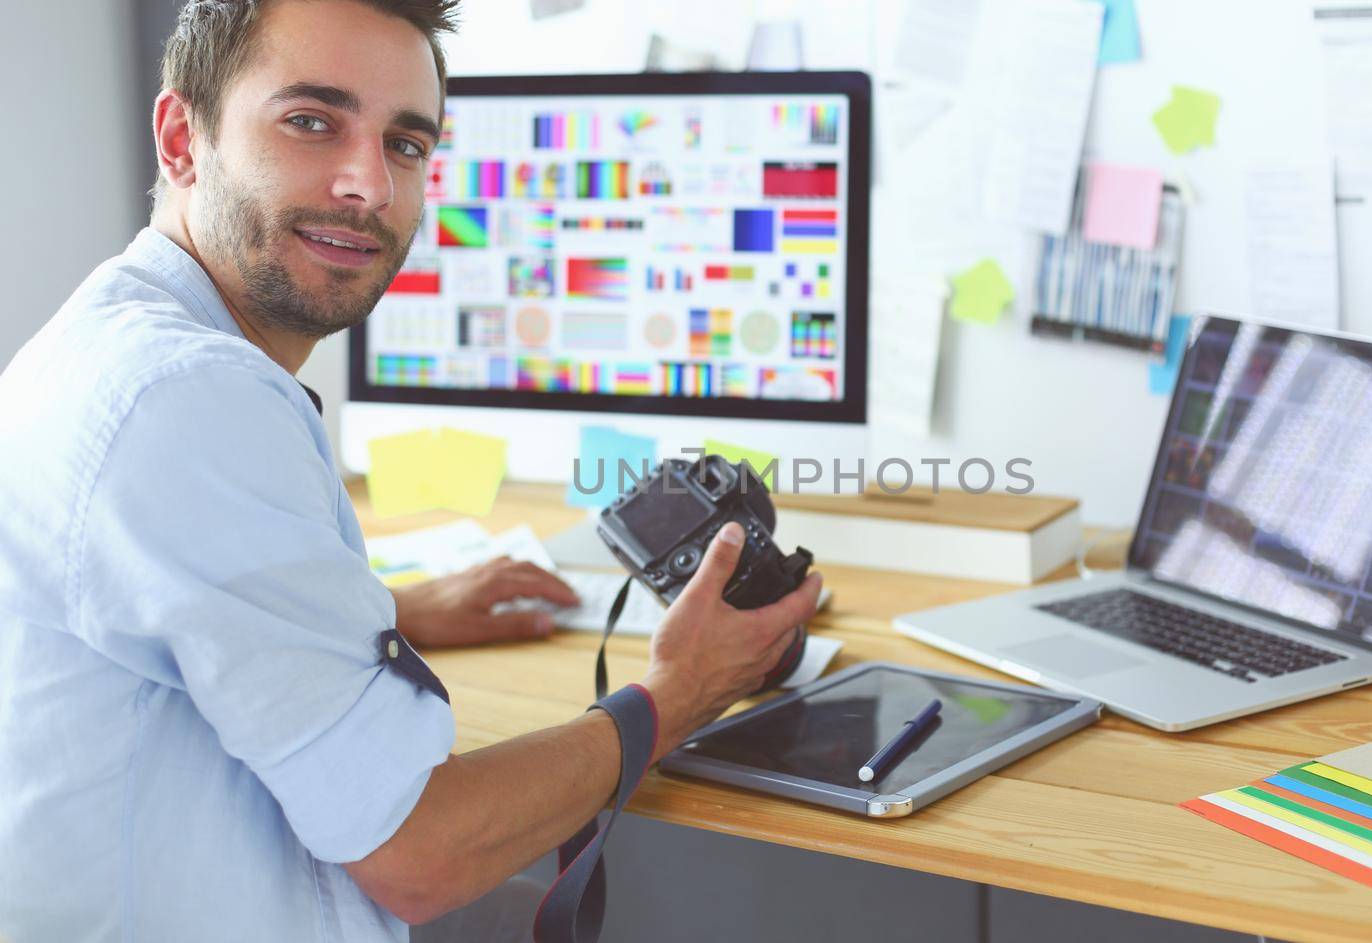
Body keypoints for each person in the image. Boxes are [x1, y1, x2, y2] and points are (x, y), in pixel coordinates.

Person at [0, 1, 822, 940]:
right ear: (182, 138)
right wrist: (680, 693)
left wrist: (393, 609)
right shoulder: (190, 397)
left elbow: (168, 610)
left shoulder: (108, 341)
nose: (369, 186)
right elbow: (421, 852)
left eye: (405, 144)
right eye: (312, 122)